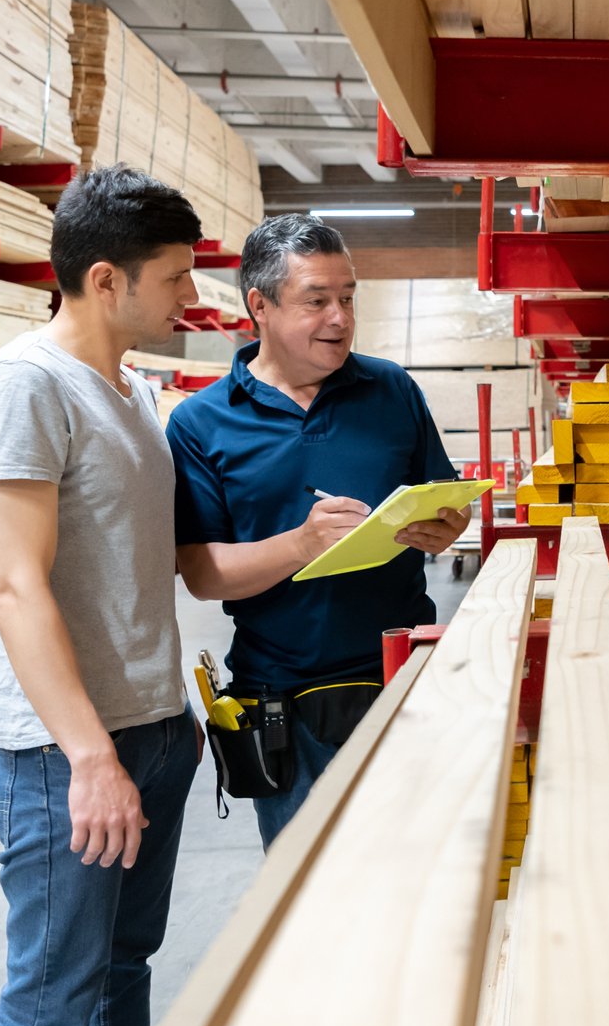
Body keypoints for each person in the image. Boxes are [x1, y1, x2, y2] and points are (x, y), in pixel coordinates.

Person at [0, 164, 206, 1026]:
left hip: (152, 732)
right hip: (72, 757)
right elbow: (14, 583)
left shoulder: (132, 393)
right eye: (173, 280)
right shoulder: (23, 389)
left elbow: (168, 563)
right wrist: (90, 758)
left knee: (120, 973)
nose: (187, 300)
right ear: (104, 280)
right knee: (49, 1003)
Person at [166, 214, 467, 846]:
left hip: (401, 675)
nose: (341, 317)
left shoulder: (391, 389)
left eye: (349, 298)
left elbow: (444, 499)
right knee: (308, 900)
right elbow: (201, 573)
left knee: (417, 879)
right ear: (260, 306)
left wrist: (447, 525)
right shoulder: (201, 423)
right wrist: (302, 543)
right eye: (317, 301)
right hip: (285, 702)